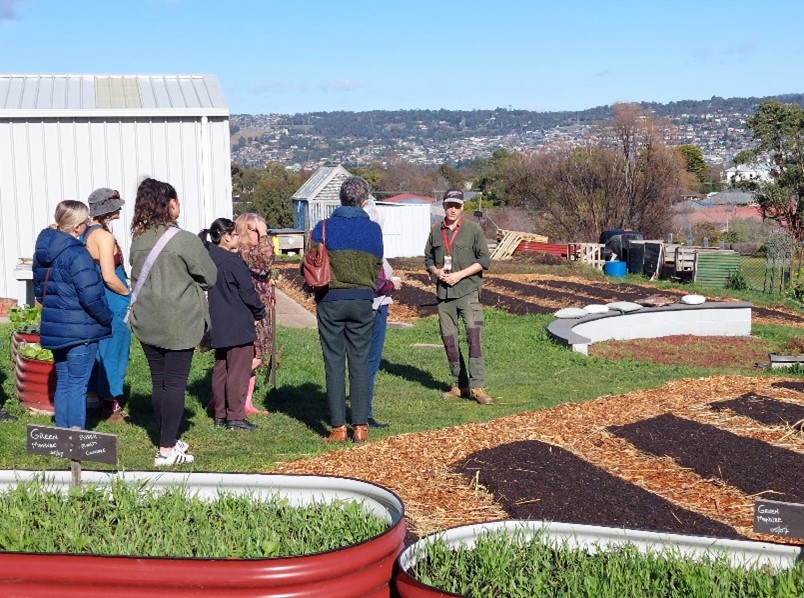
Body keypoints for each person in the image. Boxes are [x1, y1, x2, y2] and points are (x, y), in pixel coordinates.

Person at [129, 178, 217, 466]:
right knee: (176, 383)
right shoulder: (185, 240)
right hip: (179, 321)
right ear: (170, 204)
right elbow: (210, 277)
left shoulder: (139, 240)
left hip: (147, 319)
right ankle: (166, 449)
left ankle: (165, 437)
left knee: (159, 382)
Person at [309, 176, 383, 443]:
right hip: (363, 300)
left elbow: (310, 262)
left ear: (340, 200)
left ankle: (338, 428)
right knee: (360, 361)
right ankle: (360, 427)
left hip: (330, 300)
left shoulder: (323, 227)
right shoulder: (374, 230)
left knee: (334, 361)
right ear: (363, 201)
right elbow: (377, 266)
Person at [32, 200, 113, 429]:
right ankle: (74, 442)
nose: (89, 224)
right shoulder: (77, 254)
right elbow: (91, 296)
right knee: (78, 385)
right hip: (81, 329)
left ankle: (61, 438)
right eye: (86, 221)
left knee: (65, 383)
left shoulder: (42, 252)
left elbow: (39, 291)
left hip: (56, 327)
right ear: (77, 227)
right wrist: (107, 317)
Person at [424, 188, 493, 405]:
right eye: (449, 205)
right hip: (444, 296)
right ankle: (460, 385)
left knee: (474, 338)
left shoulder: (473, 230)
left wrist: (459, 275)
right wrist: (436, 272)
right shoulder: (436, 231)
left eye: (456, 205)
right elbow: (428, 259)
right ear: (443, 206)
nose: (452, 209)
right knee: (449, 340)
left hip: (468, 292)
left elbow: (484, 261)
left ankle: (478, 386)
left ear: (462, 207)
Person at [200, 218, 265, 431]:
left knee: (221, 369)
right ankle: (235, 416)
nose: (238, 237)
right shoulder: (233, 261)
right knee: (238, 370)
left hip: (218, 322)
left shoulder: (208, 259)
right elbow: (248, 292)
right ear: (227, 237)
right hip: (238, 323)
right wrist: (259, 310)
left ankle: (220, 413)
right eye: (236, 234)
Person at [83, 187, 131, 422]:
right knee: (115, 350)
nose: (120, 209)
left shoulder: (84, 233)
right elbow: (109, 276)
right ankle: (111, 405)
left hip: (93, 300)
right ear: (107, 209)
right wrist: (128, 294)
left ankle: (91, 400)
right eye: (116, 205)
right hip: (113, 300)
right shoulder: (104, 236)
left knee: (95, 350)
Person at [363, 200, 402, 428]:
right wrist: (392, 284)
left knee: (362, 361)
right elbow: (376, 283)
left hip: (367, 306)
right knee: (369, 362)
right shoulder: (373, 248)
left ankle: (360, 411)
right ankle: (364, 413)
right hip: (375, 308)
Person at [234, 212, 276, 415]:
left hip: (260, 305)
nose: (260, 235)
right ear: (245, 230)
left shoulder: (250, 250)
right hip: (250, 308)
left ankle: (246, 403)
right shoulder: (242, 251)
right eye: (256, 231)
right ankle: (229, 396)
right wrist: (266, 236)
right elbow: (264, 263)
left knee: (256, 354)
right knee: (254, 356)